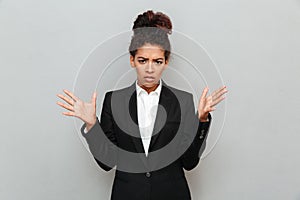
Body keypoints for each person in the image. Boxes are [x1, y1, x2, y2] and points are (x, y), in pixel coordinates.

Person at [56, 10, 227, 200]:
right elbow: (108, 162)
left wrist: (201, 120)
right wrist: (91, 125)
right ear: (132, 60)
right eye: (143, 60)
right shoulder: (114, 101)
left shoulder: (183, 101)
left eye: (157, 61)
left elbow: (189, 162)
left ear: (166, 62)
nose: (150, 69)